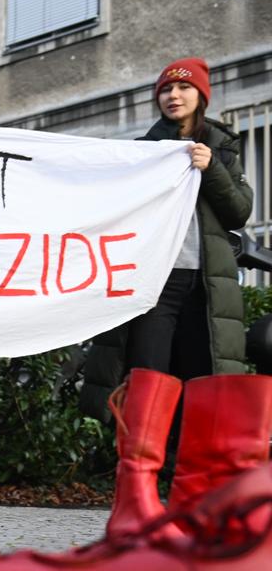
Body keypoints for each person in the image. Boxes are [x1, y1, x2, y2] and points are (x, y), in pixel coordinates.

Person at [82, 57, 253, 412]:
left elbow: (238, 213)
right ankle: (147, 464)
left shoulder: (223, 148)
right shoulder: (142, 150)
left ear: (201, 95)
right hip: (157, 281)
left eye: (183, 87)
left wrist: (212, 169)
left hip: (207, 285)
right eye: (165, 90)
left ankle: (189, 465)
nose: (173, 95)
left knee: (202, 382)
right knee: (148, 379)